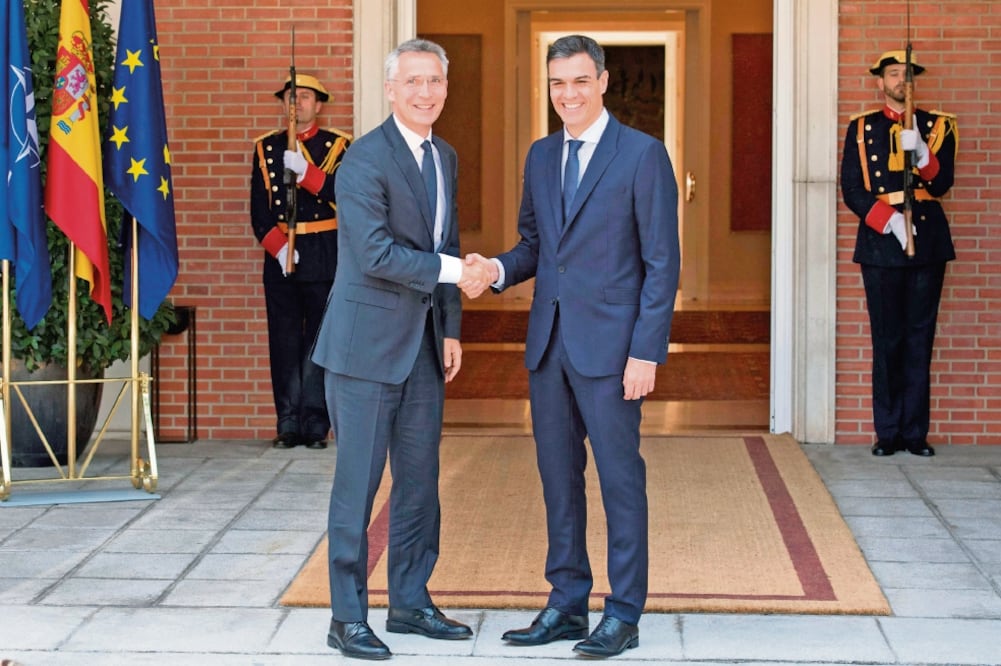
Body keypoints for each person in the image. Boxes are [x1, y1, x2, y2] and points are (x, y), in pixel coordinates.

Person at [465, 34, 680, 658]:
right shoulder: (539, 156)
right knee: (558, 481)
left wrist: (647, 351)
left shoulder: (642, 155)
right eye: (558, 84)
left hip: (614, 353)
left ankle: (624, 612)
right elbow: (535, 246)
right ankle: (565, 604)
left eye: (580, 81)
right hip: (549, 347)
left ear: (604, 81)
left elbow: (662, 263)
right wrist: (496, 271)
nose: (569, 94)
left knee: (619, 481)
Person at [310, 38, 492, 660]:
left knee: (420, 484)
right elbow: (376, 254)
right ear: (390, 90)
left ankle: (411, 603)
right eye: (412, 81)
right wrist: (455, 272)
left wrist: (452, 327)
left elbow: (450, 236)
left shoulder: (446, 157)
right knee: (358, 486)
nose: (425, 92)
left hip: (422, 348)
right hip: (364, 350)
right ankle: (346, 616)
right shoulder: (363, 160)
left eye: (434, 81)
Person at [840, 50, 958, 457]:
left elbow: (943, 184)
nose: (900, 80)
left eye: (906, 74)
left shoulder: (938, 126)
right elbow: (852, 189)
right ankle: (887, 432)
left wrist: (923, 154)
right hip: (881, 243)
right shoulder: (860, 129)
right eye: (892, 73)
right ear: (880, 82)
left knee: (919, 338)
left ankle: (914, 433)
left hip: (926, 241)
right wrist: (887, 220)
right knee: (886, 338)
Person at [250, 73, 351, 450]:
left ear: (319, 105)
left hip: (325, 251)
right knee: (284, 340)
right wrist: (277, 246)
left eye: (305, 97)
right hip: (281, 257)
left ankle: (315, 423)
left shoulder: (339, 146)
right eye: (291, 97)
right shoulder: (266, 149)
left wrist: (308, 174)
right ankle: (288, 422)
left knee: (320, 341)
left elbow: (347, 195)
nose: (297, 104)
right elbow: (259, 210)